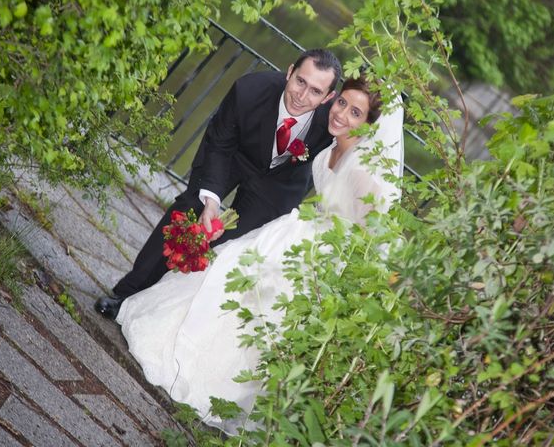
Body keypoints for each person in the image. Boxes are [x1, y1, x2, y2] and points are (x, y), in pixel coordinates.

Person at [116, 75, 404, 434]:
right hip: (302, 233)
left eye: (356, 112)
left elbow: (377, 239)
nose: (342, 114)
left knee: (262, 302)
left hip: (323, 256)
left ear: (369, 125)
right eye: (342, 103)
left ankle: (224, 382)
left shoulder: (364, 170)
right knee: (231, 271)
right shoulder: (331, 148)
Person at [95, 49, 342, 319]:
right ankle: (127, 294)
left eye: (316, 92)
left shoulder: (334, 122)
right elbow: (220, 145)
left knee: (233, 248)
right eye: (300, 82)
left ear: (329, 97)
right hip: (234, 154)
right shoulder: (249, 90)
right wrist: (210, 201)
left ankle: (164, 311)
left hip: (280, 183)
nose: (302, 96)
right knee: (190, 209)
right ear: (290, 71)